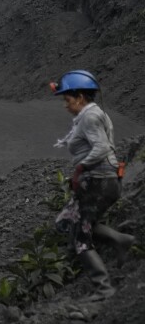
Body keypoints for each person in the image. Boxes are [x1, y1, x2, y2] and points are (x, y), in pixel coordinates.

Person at [50, 69, 135, 302]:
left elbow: (102, 148)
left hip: (98, 181)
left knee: (80, 235)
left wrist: (80, 169)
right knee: (65, 222)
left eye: (67, 100)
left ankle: (103, 287)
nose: (65, 105)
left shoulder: (89, 117)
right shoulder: (92, 115)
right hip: (100, 179)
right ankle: (121, 240)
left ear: (80, 97)